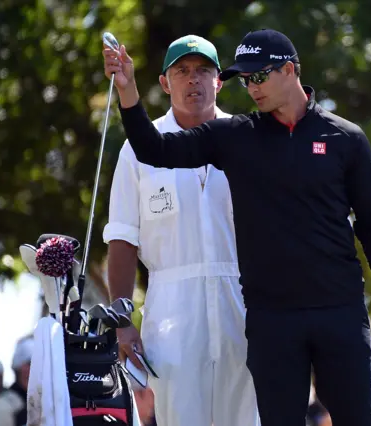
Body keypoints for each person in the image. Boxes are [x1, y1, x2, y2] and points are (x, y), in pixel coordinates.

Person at [105, 28, 371, 425]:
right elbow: (155, 149)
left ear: (291, 70)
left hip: (339, 309)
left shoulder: (345, 137)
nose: (252, 88)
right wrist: (128, 92)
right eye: (245, 80)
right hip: (269, 316)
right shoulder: (239, 135)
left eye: (259, 76)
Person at [102, 34, 259, 426]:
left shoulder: (249, 138)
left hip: (245, 306)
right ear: (164, 82)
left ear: (220, 80)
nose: (194, 80)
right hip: (171, 312)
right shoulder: (139, 148)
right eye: (182, 71)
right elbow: (122, 237)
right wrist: (123, 326)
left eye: (204, 70)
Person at [0, 336, 33, 426]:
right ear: (17, 368)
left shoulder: (54, 406)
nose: (36, 370)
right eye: (29, 363)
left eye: (43, 364)